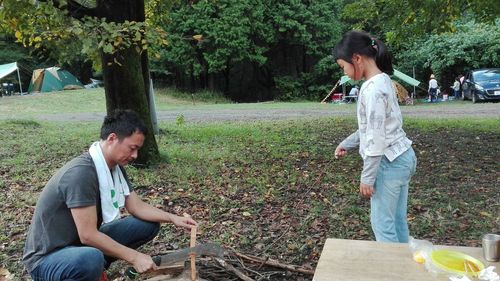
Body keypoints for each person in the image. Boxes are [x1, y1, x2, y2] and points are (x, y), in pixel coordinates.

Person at [23, 109, 198, 281]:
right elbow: (88, 235)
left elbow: (136, 206)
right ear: (112, 138)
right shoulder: (81, 173)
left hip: (79, 245)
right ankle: (88, 269)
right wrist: (134, 257)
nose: (135, 155)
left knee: (148, 224)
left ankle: (93, 267)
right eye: (132, 148)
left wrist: (172, 218)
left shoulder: (114, 168)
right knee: (91, 258)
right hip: (47, 259)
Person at [333, 30, 417, 243]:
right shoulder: (384, 80)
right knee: (397, 221)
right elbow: (373, 127)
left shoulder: (372, 90)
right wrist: (348, 143)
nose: (345, 72)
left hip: (388, 163)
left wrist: (367, 176)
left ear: (357, 59)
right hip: (404, 156)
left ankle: (392, 273)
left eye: (343, 67)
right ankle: (404, 269)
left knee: (383, 226)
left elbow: (376, 139)